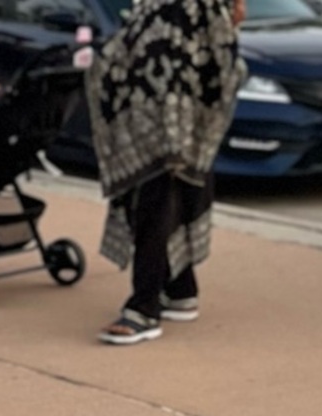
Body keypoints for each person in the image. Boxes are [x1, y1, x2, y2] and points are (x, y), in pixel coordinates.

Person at [86, 0, 246, 346]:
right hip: (163, 116)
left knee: (154, 203)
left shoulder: (192, 8)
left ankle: (144, 309)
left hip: (171, 120)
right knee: (173, 196)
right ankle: (180, 289)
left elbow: (217, 59)